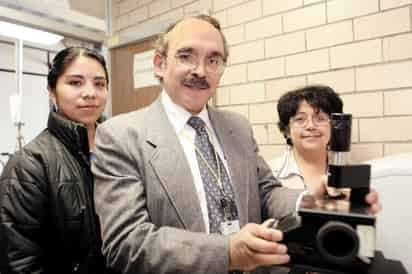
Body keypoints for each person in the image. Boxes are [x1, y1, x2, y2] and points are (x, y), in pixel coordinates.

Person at [92, 15, 380, 274]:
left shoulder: (237, 127)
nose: (201, 70)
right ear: (160, 63)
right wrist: (227, 252)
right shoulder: (120, 135)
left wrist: (312, 199)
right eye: (186, 56)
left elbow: (266, 192)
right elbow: (126, 243)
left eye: (214, 60)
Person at [0, 47, 111, 274]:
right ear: (52, 90)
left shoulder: (119, 150)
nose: (90, 92)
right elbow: (19, 263)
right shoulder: (28, 165)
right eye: (75, 83)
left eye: (99, 84)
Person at [268, 85, 343, 196]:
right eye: (300, 119)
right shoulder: (269, 176)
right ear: (286, 130)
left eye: (320, 118)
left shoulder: (348, 172)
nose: (311, 126)